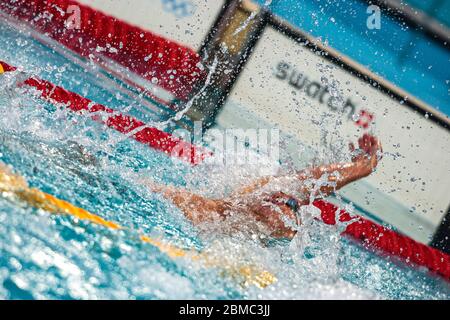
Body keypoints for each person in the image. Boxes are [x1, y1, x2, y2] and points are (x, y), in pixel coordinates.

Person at [142, 134, 382, 240]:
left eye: (291, 202)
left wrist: (360, 169)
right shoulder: (203, 209)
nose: (284, 199)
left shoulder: (277, 242)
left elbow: (309, 182)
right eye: (278, 195)